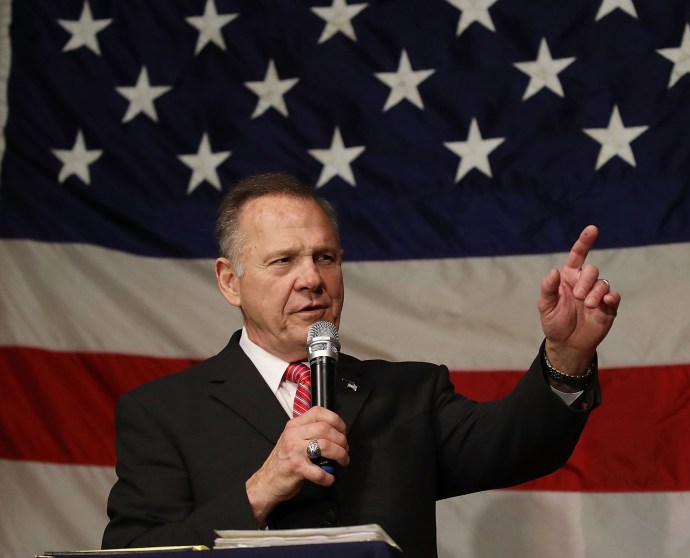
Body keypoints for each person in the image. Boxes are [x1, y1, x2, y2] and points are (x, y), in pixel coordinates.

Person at [102, 172, 620, 558]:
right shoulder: (164, 412)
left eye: (324, 258)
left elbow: (521, 445)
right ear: (230, 280)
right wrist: (262, 487)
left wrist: (567, 353)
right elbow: (138, 553)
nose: (311, 279)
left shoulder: (410, 393)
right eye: (283, 261)